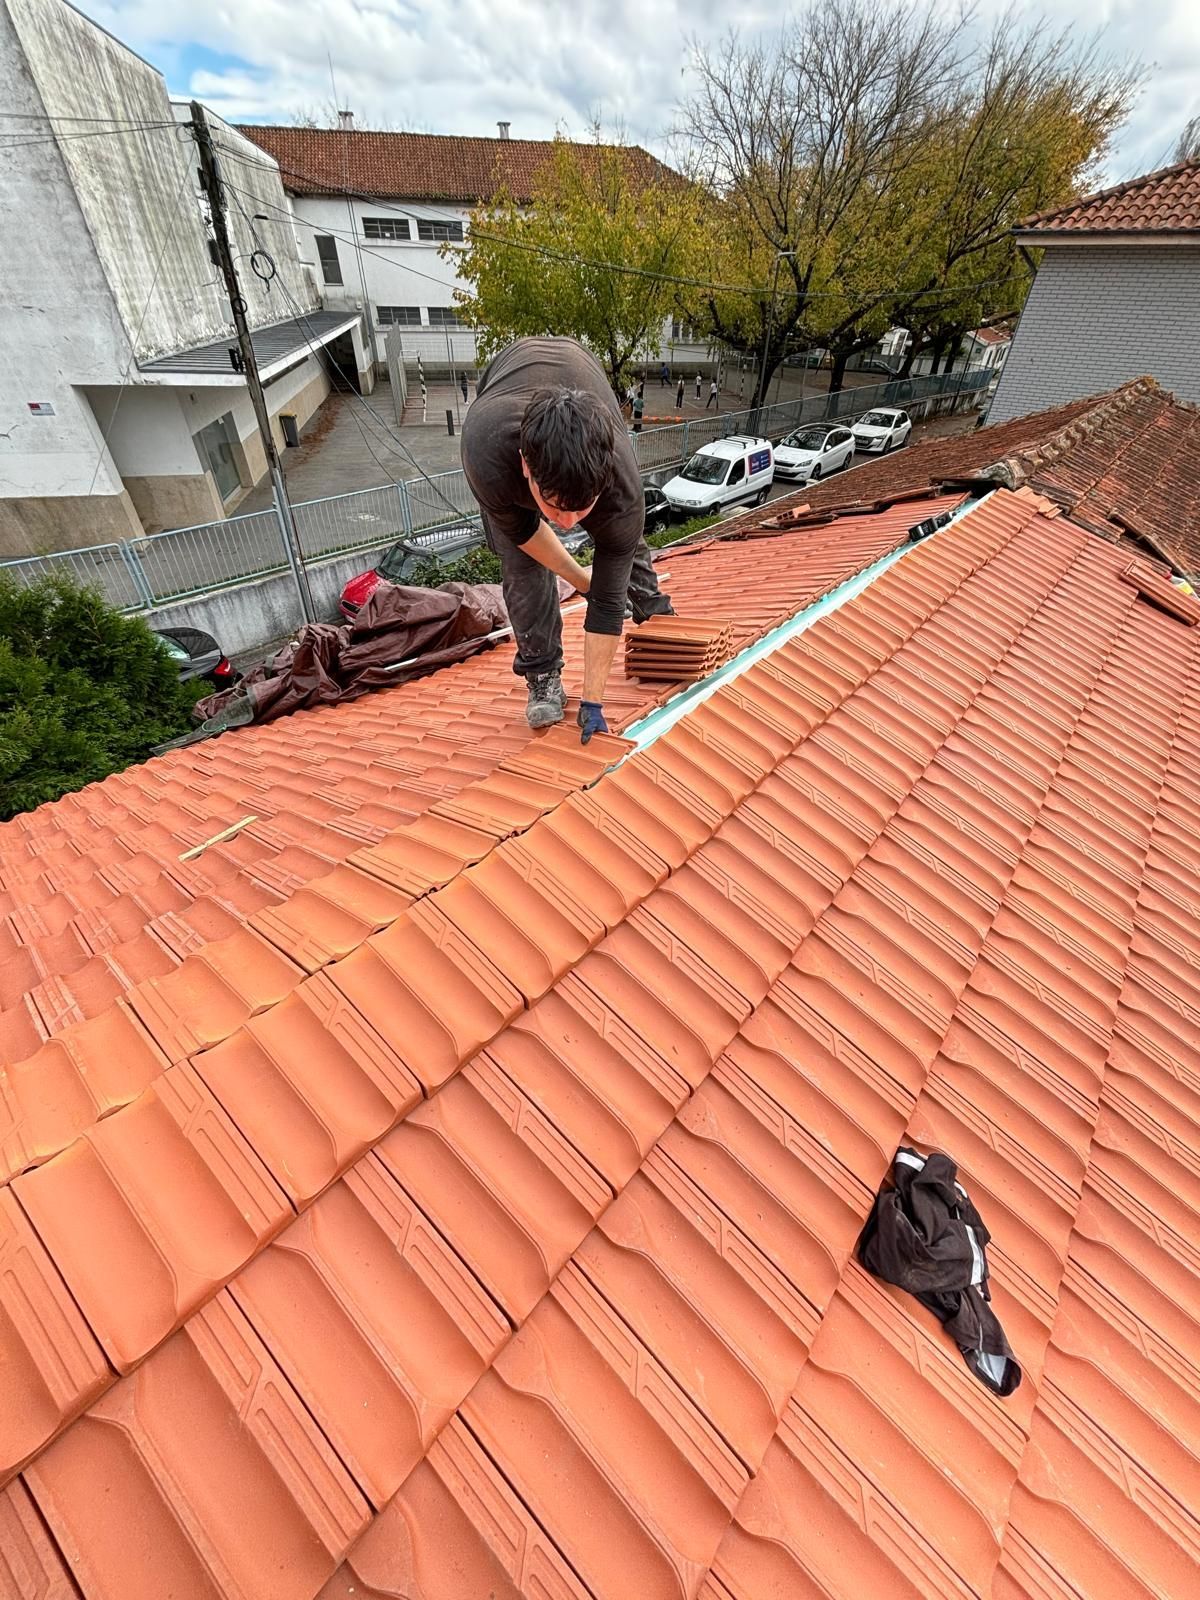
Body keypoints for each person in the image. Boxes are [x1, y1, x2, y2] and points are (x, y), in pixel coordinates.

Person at [461, 337, 673, 741]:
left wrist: (593, 703)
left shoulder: (619, 482)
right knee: (522, 567)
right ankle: (542, 674)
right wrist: (581, 580)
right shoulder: (488, 455)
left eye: (583, 508)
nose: (569, 522)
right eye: (555, 506)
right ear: (526, 466)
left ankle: (654, 607)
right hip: (507, 381)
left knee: (623, 535)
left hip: (585, 375)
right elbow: (527, 536)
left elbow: (608, 598)